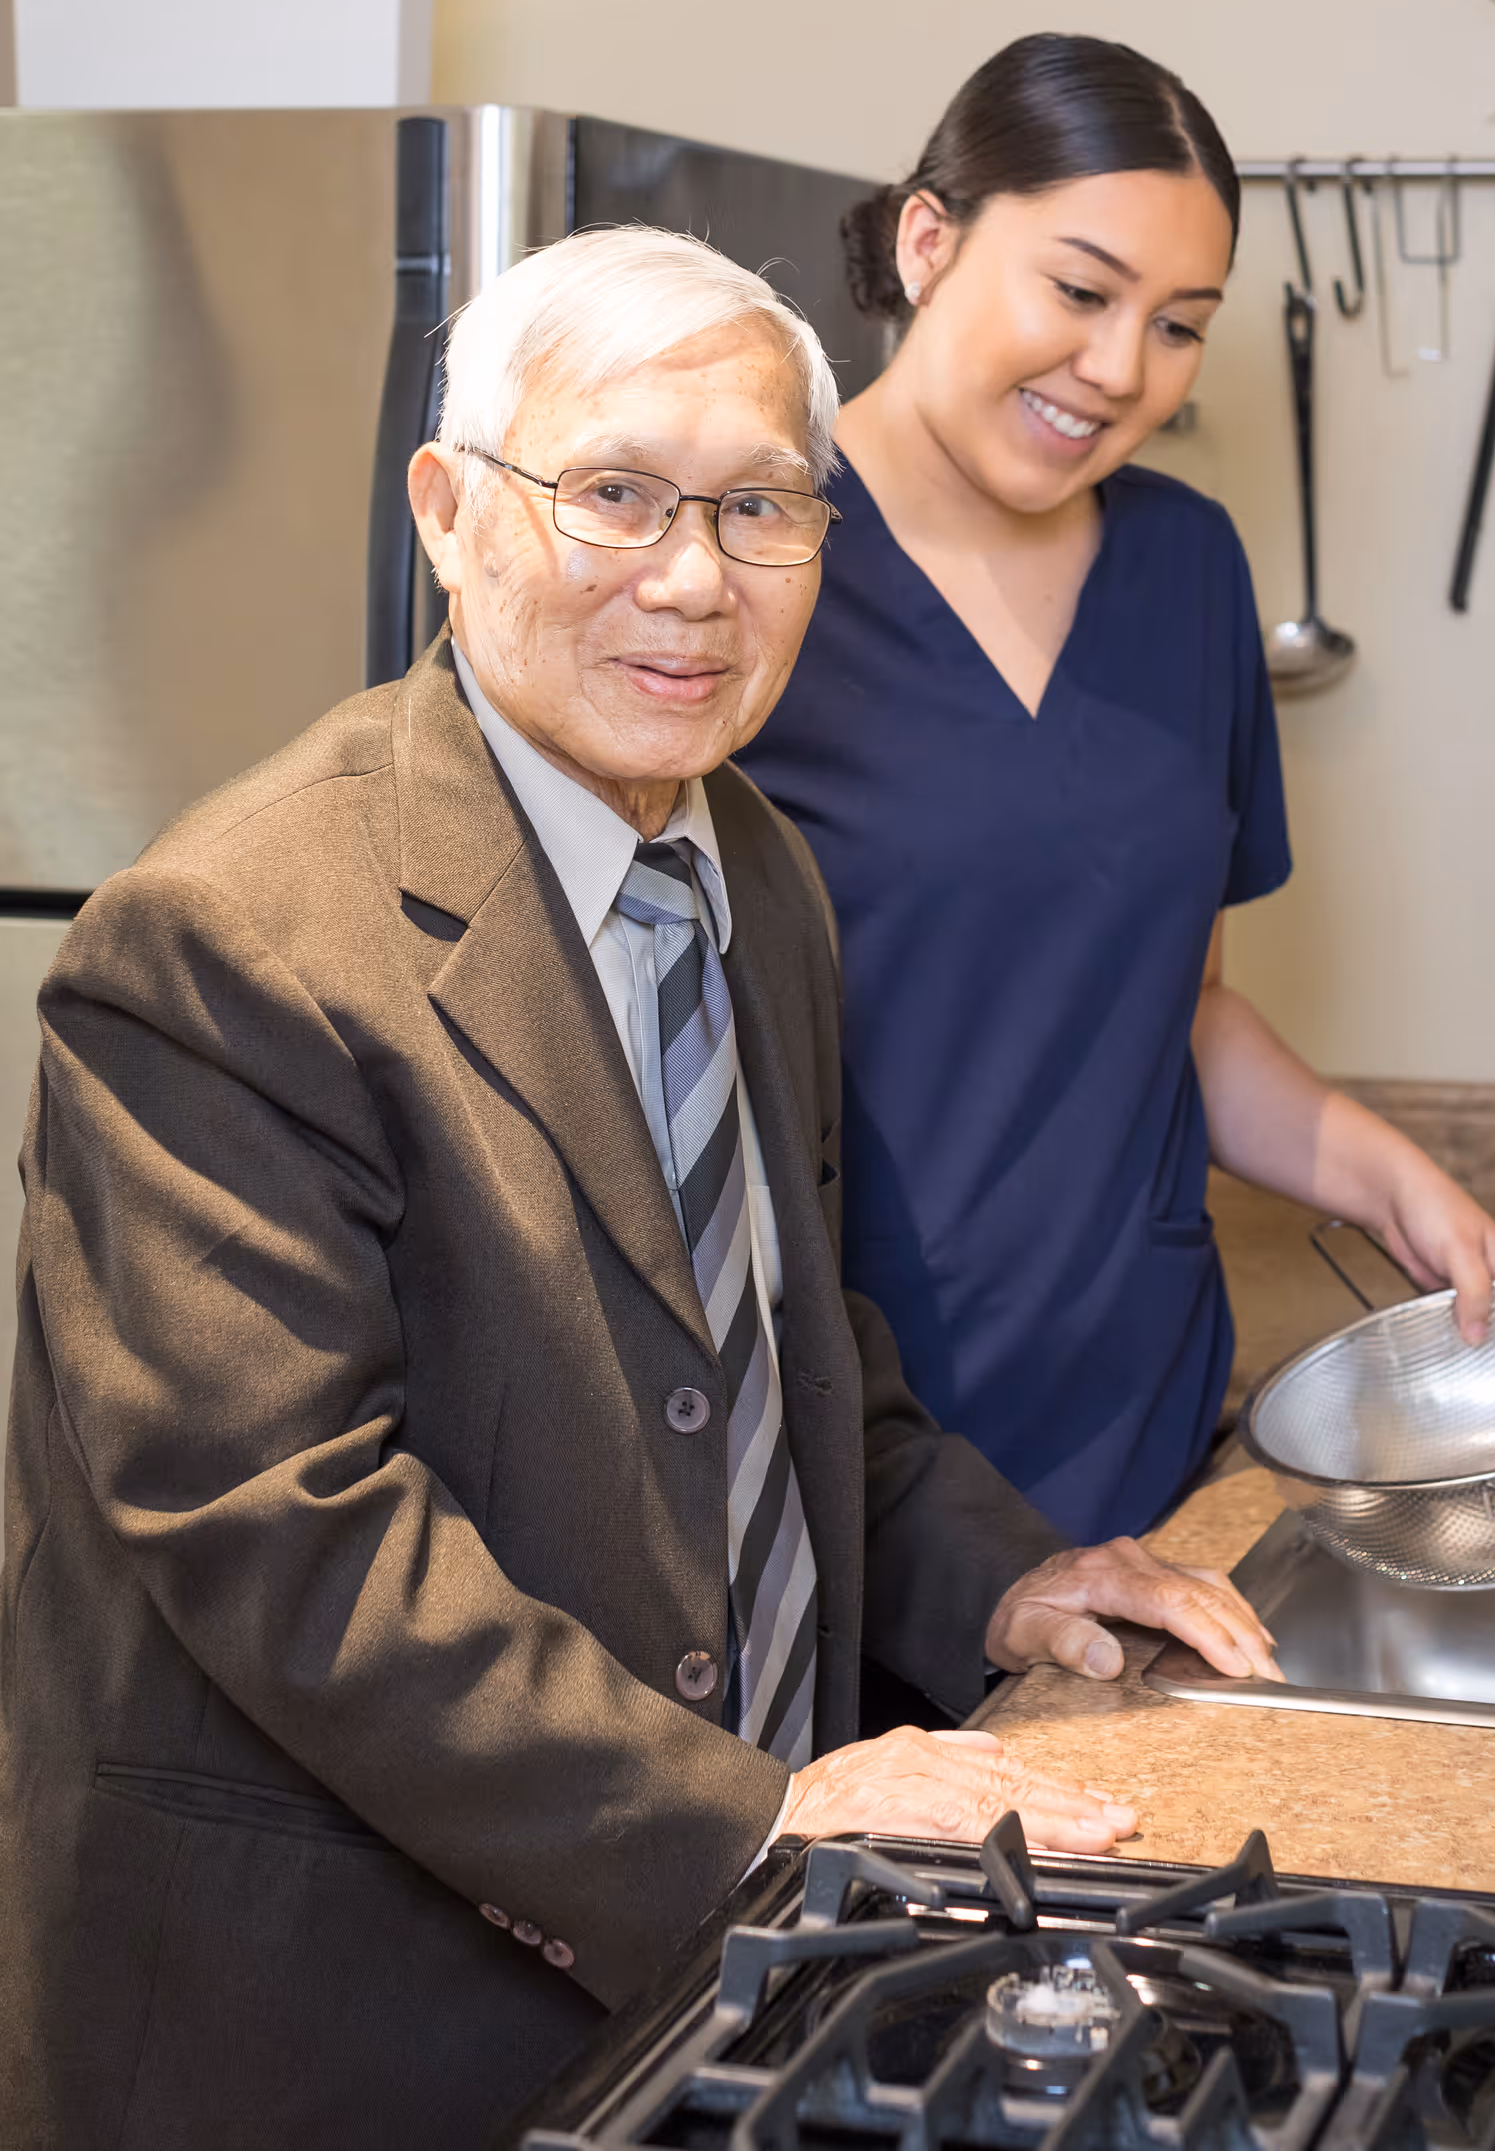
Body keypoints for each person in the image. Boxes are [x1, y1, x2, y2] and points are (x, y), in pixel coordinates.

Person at [0, 229, 1279, 2151]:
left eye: (762, 505)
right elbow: (288, 1536)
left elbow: (780, 1341)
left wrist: (1000, 1574)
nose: (696, 579)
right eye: (615, 494)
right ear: (449, 513)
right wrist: (756, 1819)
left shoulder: (750, 868)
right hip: (337, 2012)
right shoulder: (225, 944)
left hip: (697, 1977)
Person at [739, 34, 1495, 1546]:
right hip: (839, 1451)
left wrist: (1380, 1175)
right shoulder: (753, 564)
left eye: (1180, 326)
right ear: (928, 241)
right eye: (1082, 291)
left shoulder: (1189, 569)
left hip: (1136, 1429)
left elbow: (1175, 1004)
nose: (1119, 372)